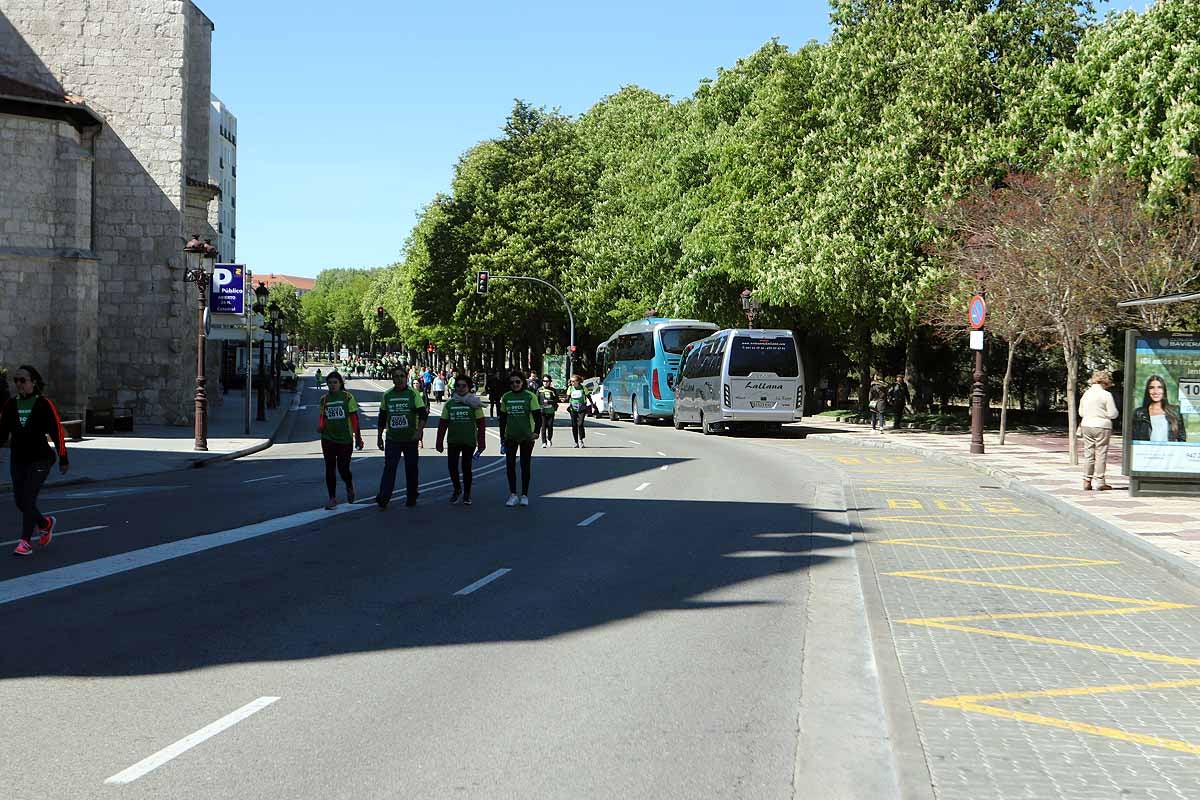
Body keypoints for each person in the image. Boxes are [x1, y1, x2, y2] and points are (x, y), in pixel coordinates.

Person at [0, 366, 69, 556]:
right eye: (16, 380)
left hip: (41, 459)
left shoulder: (44, 404)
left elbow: (56, 431)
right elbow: (2, 433)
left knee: (29, 498)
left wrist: (63, 458)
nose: (19, 384)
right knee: (20, 502)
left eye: (23, 380)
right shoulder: (10, 404)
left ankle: (25, 542)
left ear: (33, 382)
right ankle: (44, 524)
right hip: (18, 459)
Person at [377, 365, 428, 509]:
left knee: (411, 468)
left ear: (406, 378)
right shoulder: (387, 395)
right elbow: (382, 417)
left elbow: (423, 414)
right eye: (396, 377)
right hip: (392, 439)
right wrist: (379, 436)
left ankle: (412, 495)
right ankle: (383, 497)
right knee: (390, 467)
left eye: (402, 376)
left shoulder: (413, 394)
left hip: (410, 439)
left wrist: (419, 431)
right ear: (392, 379)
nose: (399, 379)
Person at [437, 375, 487, 505]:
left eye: (464, 386)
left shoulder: (475, 404)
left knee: (466, 468)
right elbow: (443, 424)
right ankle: (457, 489)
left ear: (469, 387)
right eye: (458, 385)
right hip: (453, 440)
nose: (460, 388)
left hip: (469, 441)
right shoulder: (450, 404)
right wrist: (439, 442)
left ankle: (467, 494)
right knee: (452, 467)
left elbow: (481, 425)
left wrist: (481, 443)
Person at [318, 371, 363, 510]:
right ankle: (332, 498)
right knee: (329, 467)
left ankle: (349, 485)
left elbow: (354, 418)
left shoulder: (348, 397)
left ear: (340, 383)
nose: (332, 385)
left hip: (345, 438)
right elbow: (322, 416)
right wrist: (321, 426)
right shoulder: (324, 399)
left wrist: (358, 437)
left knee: (343, 468)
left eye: (335, 382)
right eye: (330, 383)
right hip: (328, 438)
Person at [499, 371, 539, 507]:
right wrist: (502, 437)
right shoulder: (506, 397)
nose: (515, 384)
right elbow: (502, 419)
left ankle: (524, 495)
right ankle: (513, 494)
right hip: (510, 436)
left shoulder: (530, 396)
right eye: (512, 382)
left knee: (525, 465)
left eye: (517, 381)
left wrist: (536, 432)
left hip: (527, 436)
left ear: (522, 382)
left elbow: (537, 416)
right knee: (510, 465)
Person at [1079, 370, 1120, 491]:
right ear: (1105, 382)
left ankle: (1087, 480)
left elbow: (1081, 412)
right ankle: (1100, 481)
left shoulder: (1086, 394)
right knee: (1101, 453)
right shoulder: (1106, 395)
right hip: (1102, 425)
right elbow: (1113, 413)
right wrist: (1105, 414)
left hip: (1086, 424)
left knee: (1089, 453)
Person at [1132, 374, 1187, 443]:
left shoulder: (1175, 411)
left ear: (1164, 390)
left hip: (1169, 450)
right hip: (1147, 450)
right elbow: (1135, 440)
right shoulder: (1139, 413)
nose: (1155, 391)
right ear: (1148, 391)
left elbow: (1182, 438)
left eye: (1159, 387)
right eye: (1151, 388)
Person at [565, 374, 594, 447]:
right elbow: (567, 398)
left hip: (582, 408)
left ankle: (581, 439)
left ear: (578, 381)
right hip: (573, 408)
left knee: (580, 424)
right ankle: (576, 442)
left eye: (573, 381)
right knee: (574, 425)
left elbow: (588, 396)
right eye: (571, 381)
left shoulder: (583, 388)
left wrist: (592, 404)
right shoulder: (570, 388)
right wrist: (563, 400)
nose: (572, 383)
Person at [536, 375, 560, 448]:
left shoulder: (553, 390)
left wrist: (549, 401)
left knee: (550, 426)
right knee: (543, 427)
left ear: (550, 382)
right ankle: (544, 442)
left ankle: (549, 439)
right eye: (544, 381)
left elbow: (557, 400)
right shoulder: (539, 390)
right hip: (542, 411)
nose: (545, 383)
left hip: (551, 411)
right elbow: (536, 400)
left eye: (547, 381)